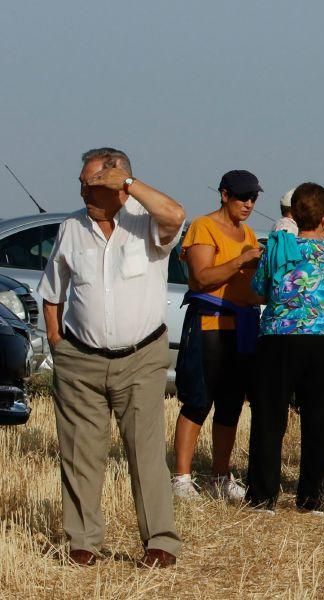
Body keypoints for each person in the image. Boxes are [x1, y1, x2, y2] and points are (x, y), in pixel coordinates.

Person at [38, 147, 185, 567]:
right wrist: (57, 343)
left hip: (141, 358)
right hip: (79, 360)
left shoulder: (147, 224)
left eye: (93, 181)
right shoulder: (71, 228)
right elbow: (52, 292)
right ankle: (82, 542)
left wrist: (127, 184)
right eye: (82, 182)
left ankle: (159, 542)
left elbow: (176, 213)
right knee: (80, 453)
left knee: (146, 452)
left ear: (119, 180)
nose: (83, 188)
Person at [245, 183, 324, 513]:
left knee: (269, 418)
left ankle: (262, 496)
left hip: (278, 337)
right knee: (320, 419)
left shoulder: (276, 250)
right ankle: (313, 498)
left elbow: (259, 290)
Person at [172, 170, 263, 502]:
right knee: (198, 401)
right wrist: (241, 259)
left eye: (254, 197)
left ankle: (219, 476)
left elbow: (251, 286)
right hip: (209, 323)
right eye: (242, 197)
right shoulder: (203, 226)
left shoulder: (250, 233)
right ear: (224, 195)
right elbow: (201, 278)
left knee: (230, 405)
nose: (249, 203)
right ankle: (181, 478)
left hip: (242, 325)